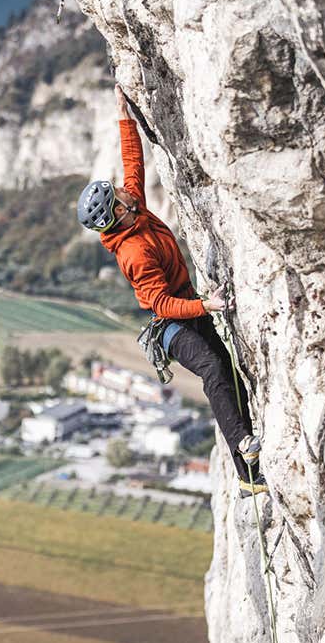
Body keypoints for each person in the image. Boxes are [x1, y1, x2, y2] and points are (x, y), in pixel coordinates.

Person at [77, 85, 266, 496]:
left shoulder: (134, 212)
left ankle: (249, 473)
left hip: (191, 309)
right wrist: (206, 304)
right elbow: (160, 301)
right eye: (120, 195)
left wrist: (123, 114)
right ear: (117, 214)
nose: (126, 189)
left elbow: (133, 162)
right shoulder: (134, 251)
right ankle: (244, 448)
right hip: (171, 326)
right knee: (213, 370)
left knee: (232, 374)